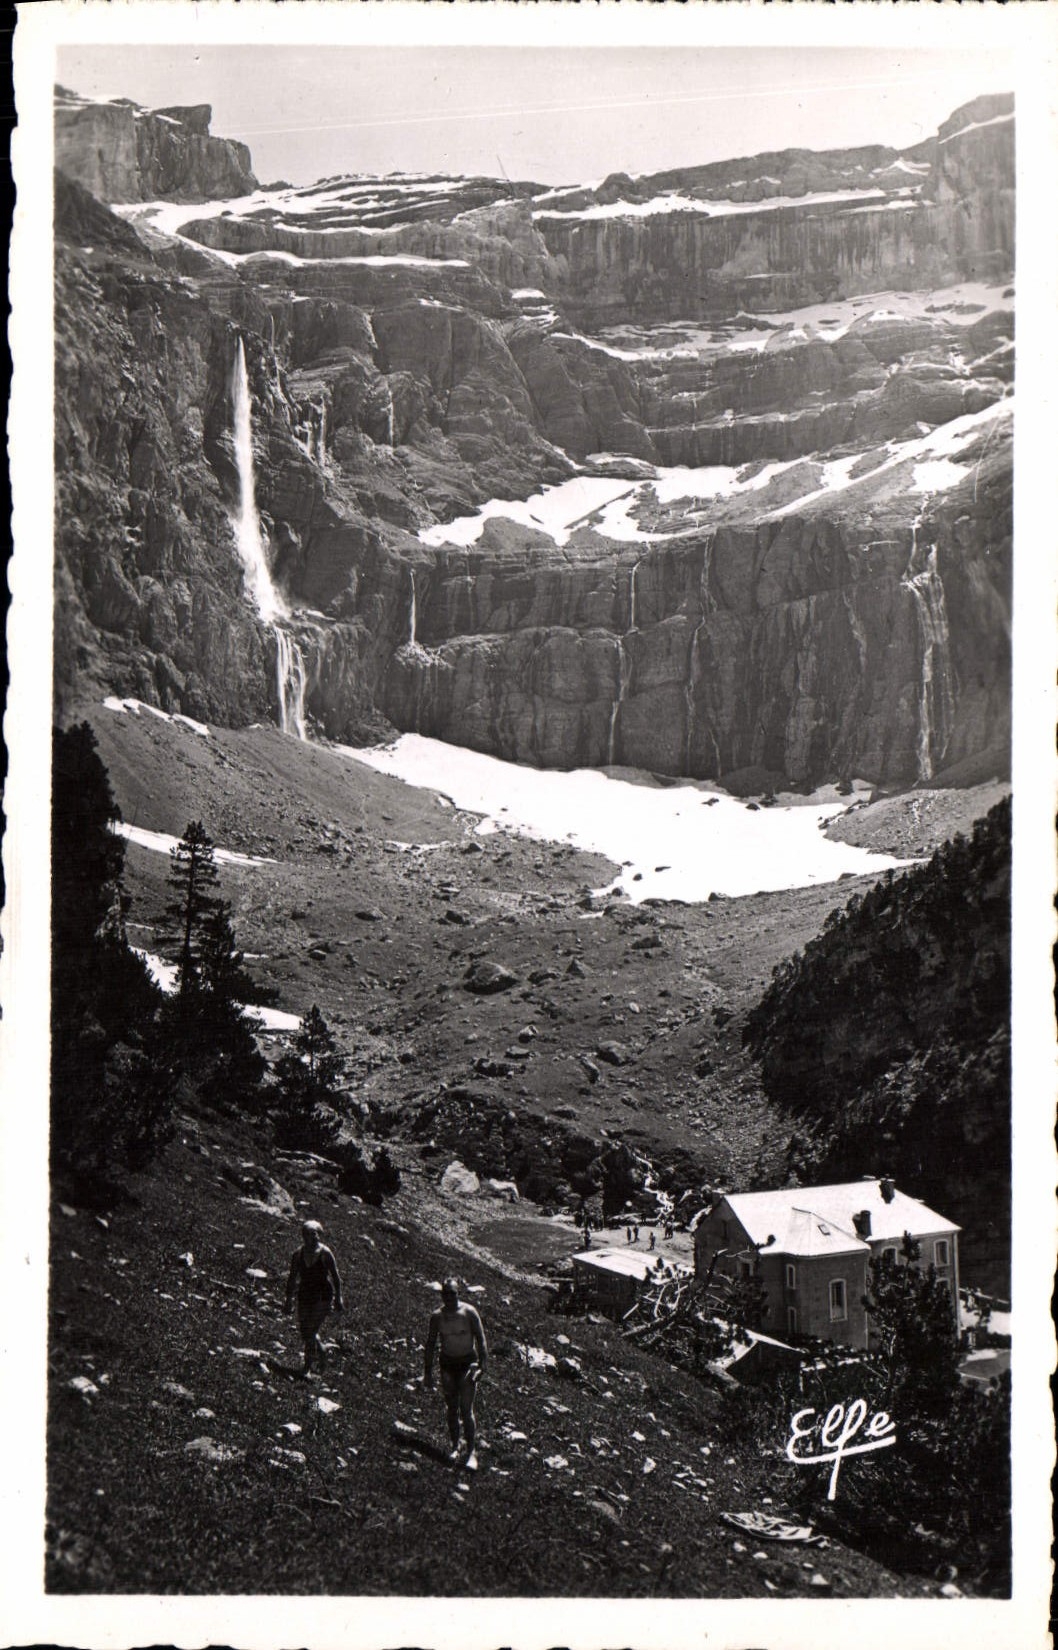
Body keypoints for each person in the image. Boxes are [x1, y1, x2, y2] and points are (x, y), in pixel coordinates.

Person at [424, 1277, 488, 1470]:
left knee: (467, 1410)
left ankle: (471, 1452)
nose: (449, 1297)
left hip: (468, 1364)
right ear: (442, 1295)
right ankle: (454, 1446)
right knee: (451, 1408)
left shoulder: (469, 1312)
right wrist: (427, 1373)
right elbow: (430, 1344)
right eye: (446, 1294)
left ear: (458, 1293)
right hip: (448, 1365)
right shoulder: (437, 1316)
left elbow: (481, 1338)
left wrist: (483, 1365)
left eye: (453, 1293)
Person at [284, 1219, 343, 1376]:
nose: (313, 1237)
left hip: (323, 1295)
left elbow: (336, 1277)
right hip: (305, 1294)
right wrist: (288, 1299)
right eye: (309, 1234)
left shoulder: (325, 1254)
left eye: (315, 1234)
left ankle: (307, 1368)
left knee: (311, 1331)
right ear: (303, 1236)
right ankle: (321, 1350)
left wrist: (338, 1298)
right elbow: (292, 1277)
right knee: (305, 1331)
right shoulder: (298, 1254)